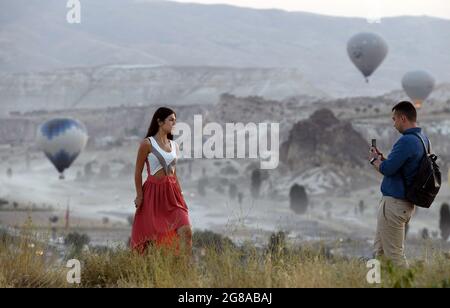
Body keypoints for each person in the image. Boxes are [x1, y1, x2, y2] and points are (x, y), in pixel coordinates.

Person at [369, 101, 429, 267]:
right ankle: (375, 283)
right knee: (378, 252)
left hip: (394, 204)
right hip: (403, 203)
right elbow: (401, 168)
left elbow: (387, 169)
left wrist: (374, 160)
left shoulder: (407, 141)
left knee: (395, 256)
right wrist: (383, 159)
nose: (394, 124)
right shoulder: (422, 139)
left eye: (394, 119)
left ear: (403, 118)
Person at [130, 107, 191, 255]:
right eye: (171, 120)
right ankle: (150, 270)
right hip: (153, 194)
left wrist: (181, 195)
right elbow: (138, 172)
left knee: (186, 231)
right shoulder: (147, 144)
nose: (174, 124)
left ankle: (185, 268)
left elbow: (174, 173)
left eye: (175, 121)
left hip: (172, 194)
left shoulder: (175, 146)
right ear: (159, 121)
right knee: (151, 239)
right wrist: (139, 195)